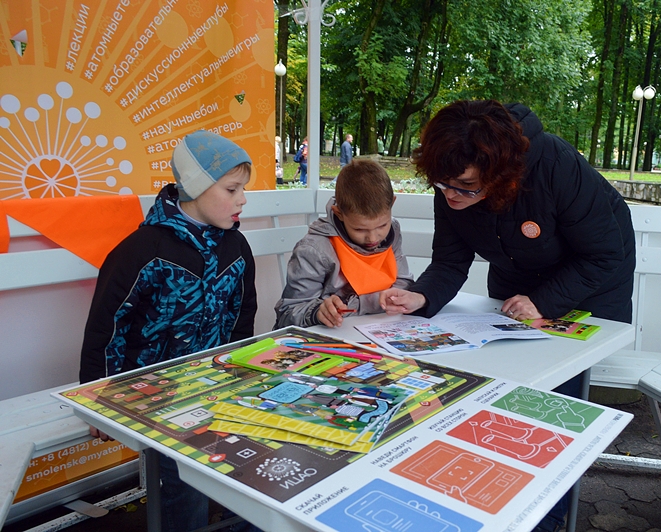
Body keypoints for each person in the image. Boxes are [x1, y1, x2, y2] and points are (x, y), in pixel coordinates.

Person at [379, 99, 635, 532]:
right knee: (502, 388)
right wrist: (420, 296)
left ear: (500, 175)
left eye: (465, 187)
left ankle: (549, 516)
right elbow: (449, 261)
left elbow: (604, 254)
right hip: (518, 274)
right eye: (443, 186)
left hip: (591, 279)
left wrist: (545, 302)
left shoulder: (555, 163)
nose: (452, 197)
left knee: (557, 398)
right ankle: (492, 494)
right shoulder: (454, 175)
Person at [79, 130, 259, 532]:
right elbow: (106, 326)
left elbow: (243, 317)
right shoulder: (141, 252)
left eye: (242, 189)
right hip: (154, 395)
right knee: (184, 480)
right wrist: (96, 396)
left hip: (216, 383)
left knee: (256, 457)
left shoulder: (237, 248)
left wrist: (239, 373)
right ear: (196, 187)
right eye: (232, 189)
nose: (242, 199)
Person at [275, 158, 414, 328]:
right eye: (359, 230)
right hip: (327, 341)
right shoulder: (315, 249)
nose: (373, 238)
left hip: (378, 331)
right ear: (338, 214)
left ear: (392, 204)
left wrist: (388, 299)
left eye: (382, 225)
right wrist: (317, 312)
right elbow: (288, 314)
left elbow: (403, 282)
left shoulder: (393, 231)